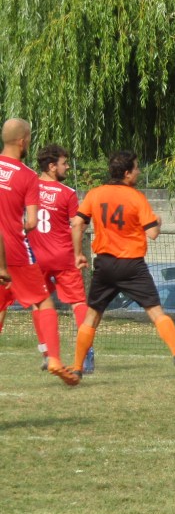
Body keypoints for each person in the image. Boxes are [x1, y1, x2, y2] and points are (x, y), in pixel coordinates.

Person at [70, 150, 175, 378]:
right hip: (132, 265)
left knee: (92, 316)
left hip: (105, 264)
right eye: (137, 168)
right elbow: (152, 234)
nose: (139, 172)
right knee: (156, 312)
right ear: (127, 173)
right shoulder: (136, 197)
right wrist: (157, 221)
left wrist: (78, 253)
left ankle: (78, 367)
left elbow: (78, 223)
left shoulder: (95, 194)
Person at [0, 119, 78, 385]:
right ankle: (54, 358)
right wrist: (14, 226)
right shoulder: (27, 176)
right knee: (43, 302)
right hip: (15, 250)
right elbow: (31, 222)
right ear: (23, 141)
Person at [29, 144, 96, 374]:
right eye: (64, 163)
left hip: (36, 257)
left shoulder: (29, 187)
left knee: (39, 304)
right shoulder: (67, 193)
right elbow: (77, 225)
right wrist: (79, 253)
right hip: (64, 256)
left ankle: (47, 354)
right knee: (78, 302)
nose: (67, 166)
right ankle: (86, 355)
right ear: (51, 166)